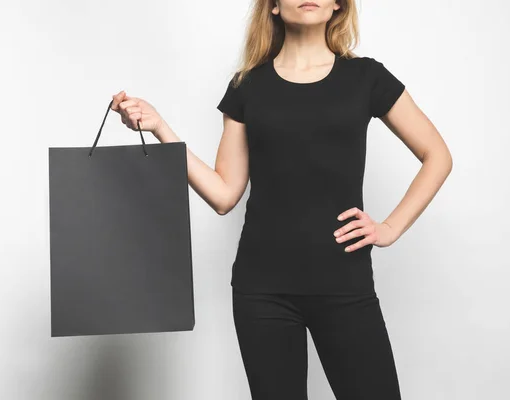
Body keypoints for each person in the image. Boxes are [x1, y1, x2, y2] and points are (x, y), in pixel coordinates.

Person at [110, 1, 452, 398]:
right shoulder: (248, 86)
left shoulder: (367, 77)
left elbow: (437, 156)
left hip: (344, 285)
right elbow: (223, 195)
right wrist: (159, 127)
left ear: (338, 4)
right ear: (272, 6)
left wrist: (390, 228)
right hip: (262, 292)